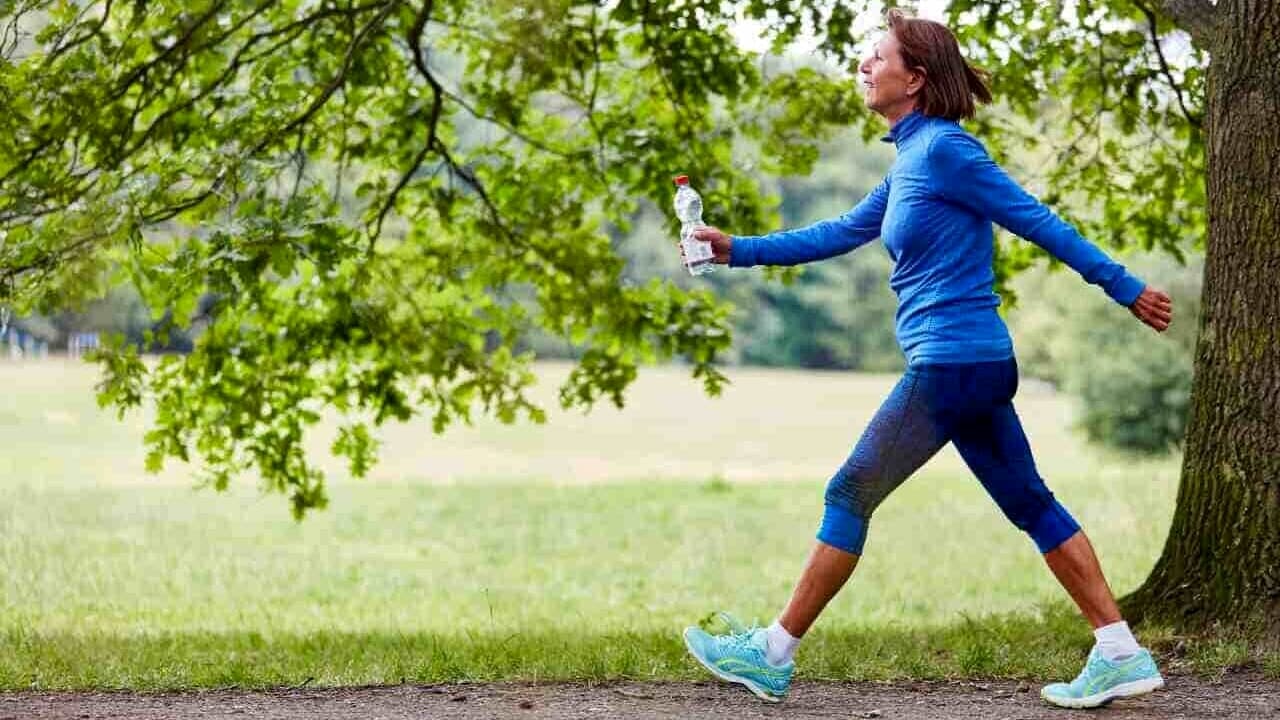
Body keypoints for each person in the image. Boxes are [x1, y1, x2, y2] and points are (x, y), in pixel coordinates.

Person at [680, 9, 1175, 710]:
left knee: (849, 493)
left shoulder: (948, 151)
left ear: (914, 79)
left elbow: (1035, 218)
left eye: (876, 56)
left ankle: (771, 654)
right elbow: (841, 231)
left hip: (951, 364)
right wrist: (737, 249)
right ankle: (1120, 651)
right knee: (1031, 503)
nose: (864, 66)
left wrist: (1123, 287)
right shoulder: (911, 158)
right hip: (970, 366)